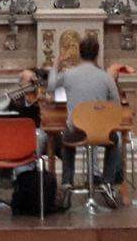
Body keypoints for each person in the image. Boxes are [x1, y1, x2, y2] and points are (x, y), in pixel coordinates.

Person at [47, 36, 123, 207]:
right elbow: (116, 106)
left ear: (80, 54)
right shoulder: (106, 77)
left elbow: (50, 86)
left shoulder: (69, 75)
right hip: (100, 133)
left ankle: (67, 183)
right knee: (114, 140)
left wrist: (56, 64)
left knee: (66, 140)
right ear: (97, 54)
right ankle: (107, 181)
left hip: (76, 132)